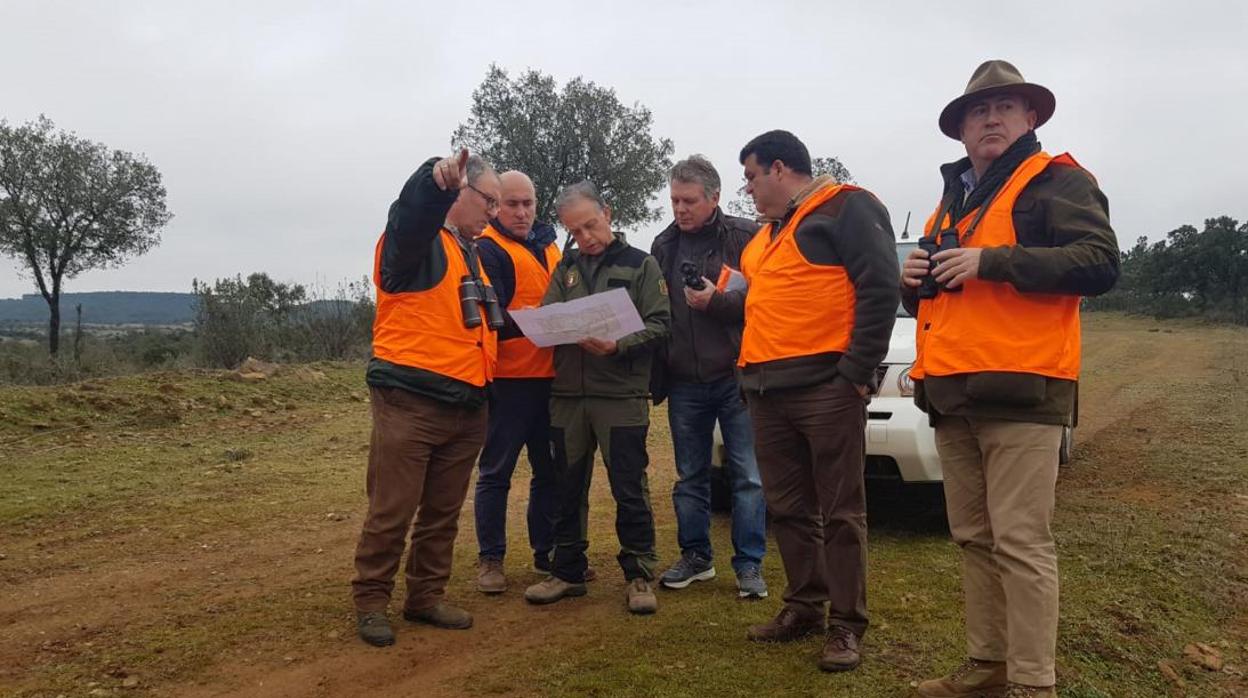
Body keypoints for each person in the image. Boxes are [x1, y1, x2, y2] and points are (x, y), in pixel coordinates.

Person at [904, 61, 1119, 698]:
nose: (990, 118)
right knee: (974, 537)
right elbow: (944, 295)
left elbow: (1100, 263)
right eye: (978, 111)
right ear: (962, 129)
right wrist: (911, 281)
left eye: (1005, 107)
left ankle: (1032, 684)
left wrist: (991, 261)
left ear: (1030, 117)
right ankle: (988, 665)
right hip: (951, 391)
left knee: (1022, 542)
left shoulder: (1059, 182)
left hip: (1025, 392)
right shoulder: (956, 194)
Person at [734, 130, 899, 672]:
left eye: (753, 177)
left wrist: (855, 373)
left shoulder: (848, 207)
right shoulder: (767, 236)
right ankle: (805, 605)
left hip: (825, 389)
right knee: (787, 508)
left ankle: (847, 625)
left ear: (780, 169)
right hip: (766, 392)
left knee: (842, 512)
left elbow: (880, 286)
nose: (750, 189)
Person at [351, 150, 502, 647]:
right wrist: (430, 183)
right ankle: (371, 601)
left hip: (467, 405)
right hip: (410, 402)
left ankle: (424, 597)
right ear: (460, 193)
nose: (495, 213)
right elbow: (410, 215)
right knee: (392, 509)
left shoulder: (470, 254)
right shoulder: (413, 246)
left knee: (442, 512)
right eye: (489, 201)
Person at [523, 181, 671, 615]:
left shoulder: (641, 265)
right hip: (567, 395)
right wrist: (544, 324)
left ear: (607, 212)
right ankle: (568, 572)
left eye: (590, 225)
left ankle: (639, 573)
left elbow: (662, 325)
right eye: (576, 231)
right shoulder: (565, 268)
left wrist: (618, 344)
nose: (585, 237)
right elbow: (550, 314)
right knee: (567, 485)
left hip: (620, 395)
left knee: (629, 485)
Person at [648, 155, 768, 598]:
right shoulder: (663, 245)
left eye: (690, 201)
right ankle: (696, 556)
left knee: (748, 475)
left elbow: (766, 302)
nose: (680, 209)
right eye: (675, 200)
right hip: (683, 381)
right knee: (689, 476)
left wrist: (718, 303)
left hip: (736, 376)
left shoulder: (747, 237)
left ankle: (750, 564)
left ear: (714, 198)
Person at [472, 170, 564, 594]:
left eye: (528, 203)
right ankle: (491, 559)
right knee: (496, 472)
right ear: (495, 207)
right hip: (509, 382)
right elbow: (492, 318)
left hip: (552, 380)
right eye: (512, 204)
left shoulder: (551, 246)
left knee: (550, 473)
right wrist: (542, 323)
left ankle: (547, 553)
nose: (522, 212)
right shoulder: (487, 250)